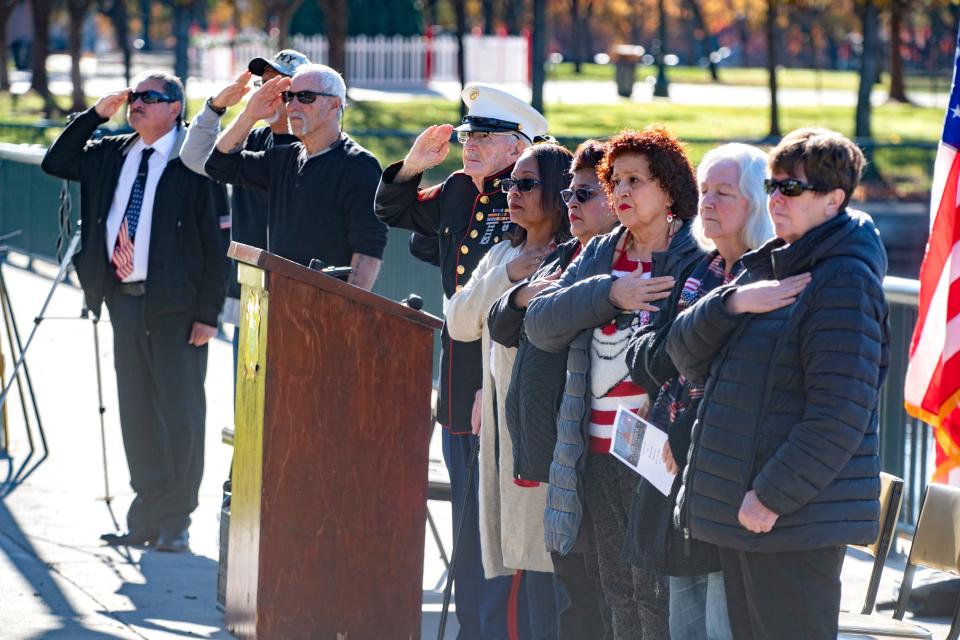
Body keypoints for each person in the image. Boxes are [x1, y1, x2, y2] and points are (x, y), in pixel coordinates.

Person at [666, 128, 888, 639]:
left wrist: (771, 495)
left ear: (834, 200)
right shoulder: (769, 265)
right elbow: (685, 357)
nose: (775, 199)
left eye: (792, 189)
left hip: (789, 521)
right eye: (772, 185)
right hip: (750, 520)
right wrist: (731, 302)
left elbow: (840, 413)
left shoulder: (842, 280)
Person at [374, 84, 548, 639]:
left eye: (484, 137)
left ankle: (492, 628)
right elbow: (394, 210)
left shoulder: (533, 192)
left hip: (502, 362)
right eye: (469, 135)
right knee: (466, 520)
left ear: (519, 145)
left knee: (494, 527)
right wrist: (414, 165)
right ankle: (475, 625)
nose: (470, 145)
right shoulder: (455, 190)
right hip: (457, 369)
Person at [525, 126, 702, 639]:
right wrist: (611, 293)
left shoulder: (694, 256)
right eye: (614, 181)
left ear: (668, 189)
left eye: (635, 181)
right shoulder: (602, 253)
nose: (620, 193)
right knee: (615, 590)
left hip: (656, 458)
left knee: (656, 594)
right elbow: (540, 323)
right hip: (595, 453)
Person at [40, 71, 228, 552]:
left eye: (150, 97)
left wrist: (210, 311)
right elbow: (56, 161)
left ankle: (176, 519)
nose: (137, 103)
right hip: (124, 302)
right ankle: (144, 515)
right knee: (137, 413)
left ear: (175, 109)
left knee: (180, 414)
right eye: (134, 96)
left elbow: (216, 241)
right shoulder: (113, 153)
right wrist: (94, 115)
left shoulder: (195, 159)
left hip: (179, 310)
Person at [623, 143, 775, 640]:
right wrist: (676, 350)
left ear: (756, 202)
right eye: (705, 190)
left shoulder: (767, 282)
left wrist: (674, 349)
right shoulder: (695, 270)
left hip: (721, 478)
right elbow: (643, 355)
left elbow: (738, 384)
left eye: (724, 193)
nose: (707, 203)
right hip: (672, 478)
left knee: (720, 624)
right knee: (682, 626)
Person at [487, 140, 616, 640]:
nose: (572, 204)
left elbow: (544, 331)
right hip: (555, 459)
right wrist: (521, 295)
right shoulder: (563, 255)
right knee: (572, 603)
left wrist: (552, 308)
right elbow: (501, 325)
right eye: (568, 193)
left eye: (584, 194)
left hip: (597, 457)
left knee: (599, 604)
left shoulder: (616, 263)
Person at [446, 143, 574, 639]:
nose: (511, 194)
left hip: (545, 431)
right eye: (508, 184)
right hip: (500, 425)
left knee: (539, 564)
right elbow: (459, 322)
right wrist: (508, 276)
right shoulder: (503, 250)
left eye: (526, 184)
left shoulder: (574, 253)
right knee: (503, 557)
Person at [180, 49, 309, 379]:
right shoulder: (251, 138)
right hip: (251, 298)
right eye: (261, 84)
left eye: (277, 86)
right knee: (250, 413)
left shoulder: (319, 145)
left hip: (304, 303)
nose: (265, 92)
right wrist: (216, 108)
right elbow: (195, 158)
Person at [205, 63, 386, 289]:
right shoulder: (284, 158)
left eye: (306, 97)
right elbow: (219, 165)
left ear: (334, 106)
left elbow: (368, 248)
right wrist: (249, 114)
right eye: (289, 97)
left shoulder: (359, 166)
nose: (292, 105)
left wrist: (346, 312)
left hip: (326, 310)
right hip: (278, 306)